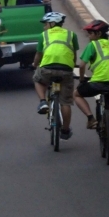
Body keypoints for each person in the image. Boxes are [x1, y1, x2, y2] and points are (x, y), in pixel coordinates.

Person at [74, 20, 109, 151]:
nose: (89, 36)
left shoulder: (93, 45)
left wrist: (82, 79)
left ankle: (91, 118)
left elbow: (82, 65)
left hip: (98, 82)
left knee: (76, 94)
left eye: (90, 34)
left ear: (98, 33)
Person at [32, 12, 79, 140]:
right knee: (66, 102)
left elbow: (39, 55)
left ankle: (43, 102)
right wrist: (72, 65)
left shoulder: (43, 35)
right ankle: (65, 130)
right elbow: (74, 54)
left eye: (46, 24)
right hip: (66, 70)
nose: (44, 27)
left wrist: (35, 64)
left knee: (37, 79)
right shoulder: (71, 34)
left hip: (47, 69)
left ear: (52, 23)